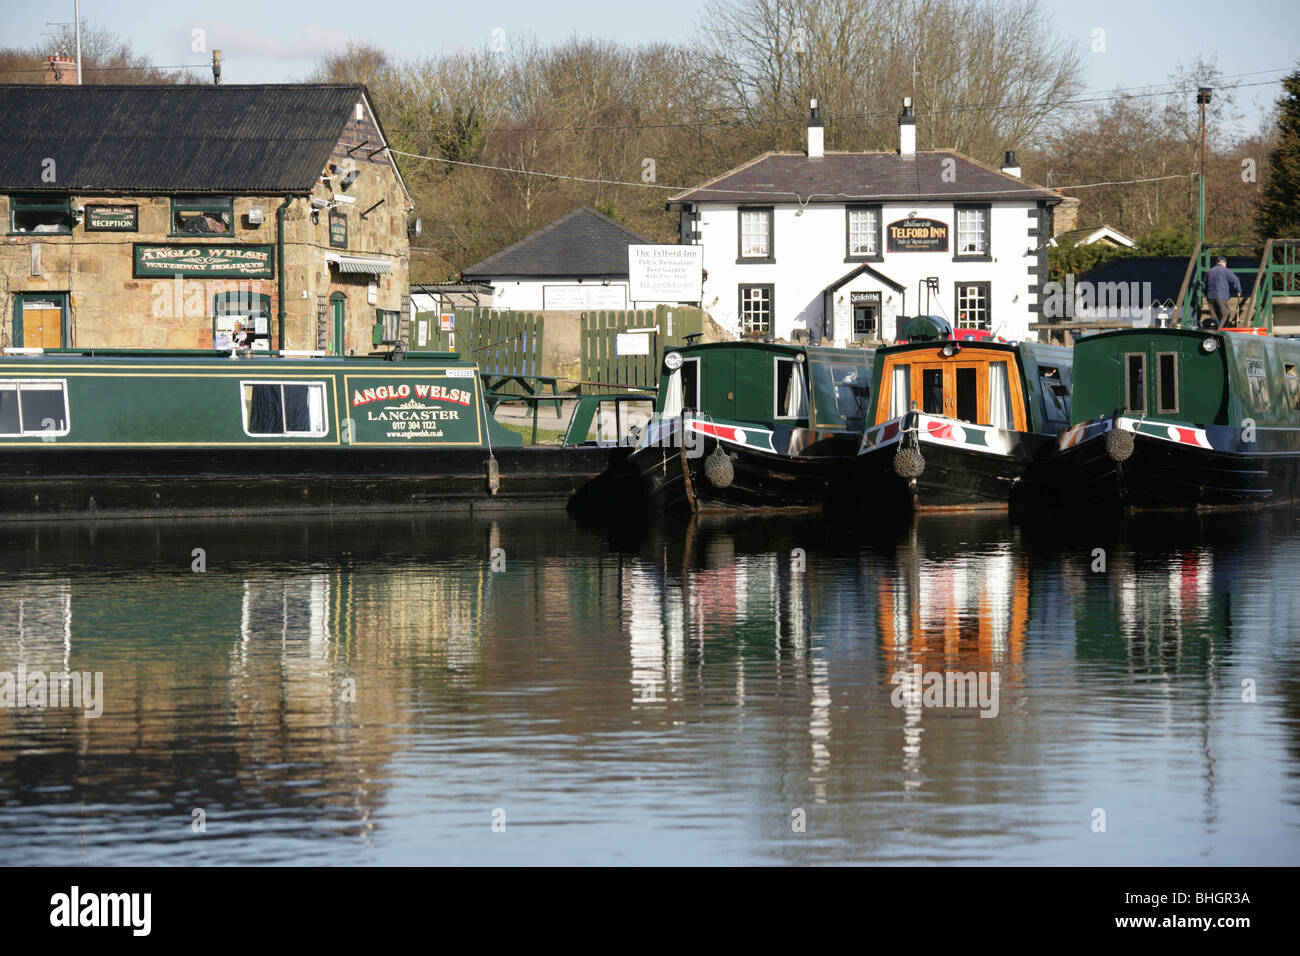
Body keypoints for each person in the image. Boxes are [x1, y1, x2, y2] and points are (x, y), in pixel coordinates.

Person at [1202, 257, 1242, 326]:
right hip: (1221, 296)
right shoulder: (1225, 270)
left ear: (1217, 263)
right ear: (1224, 263)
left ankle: (1213, 331)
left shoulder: (1209, 271)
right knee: (1226, 314)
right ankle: (1220, 330)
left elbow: (1204, 285)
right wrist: (1238, 290)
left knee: (1214, 316)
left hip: (1210, 296)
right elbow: (1235, 280)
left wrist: (1206, 294)